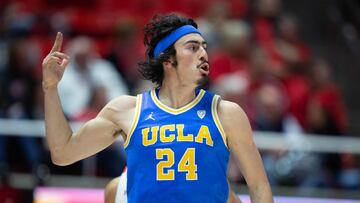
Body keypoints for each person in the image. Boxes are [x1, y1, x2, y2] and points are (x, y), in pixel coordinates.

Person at [42, 14, 273, 203]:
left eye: (204, 47)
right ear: (167, 59)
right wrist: (50, 88)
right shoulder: (127, 110)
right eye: (192, 47)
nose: (203, 53)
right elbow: (63, 153)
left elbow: (259, 188)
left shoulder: (227, 113)